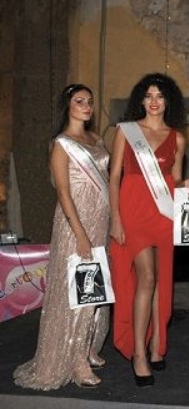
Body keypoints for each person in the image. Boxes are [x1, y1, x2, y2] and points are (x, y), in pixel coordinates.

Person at [14, 84, 110, 390]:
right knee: (79, 292)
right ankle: (75, 361)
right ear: (67, 106)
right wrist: (79, 233)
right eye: (79, 101)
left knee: (95, 291)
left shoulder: (96, 140)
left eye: (89, 101)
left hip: (100, 220)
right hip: (75, 223)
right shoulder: (61, 144)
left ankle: (87, 346)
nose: (86, 106)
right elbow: (64, 193)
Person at [109, 73, 189, 387]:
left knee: (161, 279)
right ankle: (139, 353)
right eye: (148, 95)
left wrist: (185, 184)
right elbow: (114, 177)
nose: (154, 101)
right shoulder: (126, 132)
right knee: (146, 277)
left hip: (164, 213)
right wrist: (115, 218)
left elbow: (174, 179)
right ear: (141, 100)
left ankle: (158, 343)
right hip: (133, 212)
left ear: (168, 100)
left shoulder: (178, 138)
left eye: (160, 95)